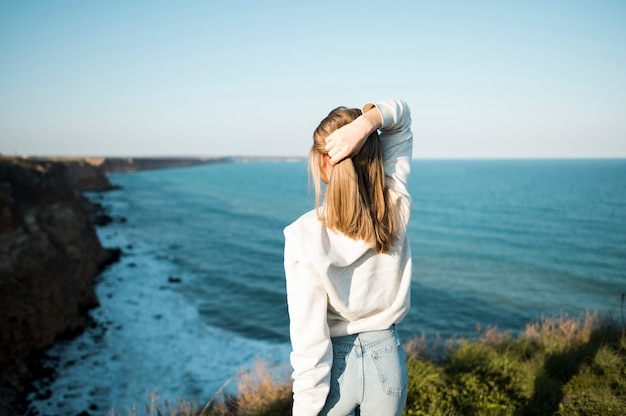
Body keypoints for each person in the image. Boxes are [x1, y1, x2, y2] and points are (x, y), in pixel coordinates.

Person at [284, 98, 413, 415]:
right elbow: (402, 116)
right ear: (375, 156)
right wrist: (366, 125)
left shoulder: (303, 235)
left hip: (336, 369)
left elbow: (309, 344)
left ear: (323, 161)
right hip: (388, 360)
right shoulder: (393, 205)